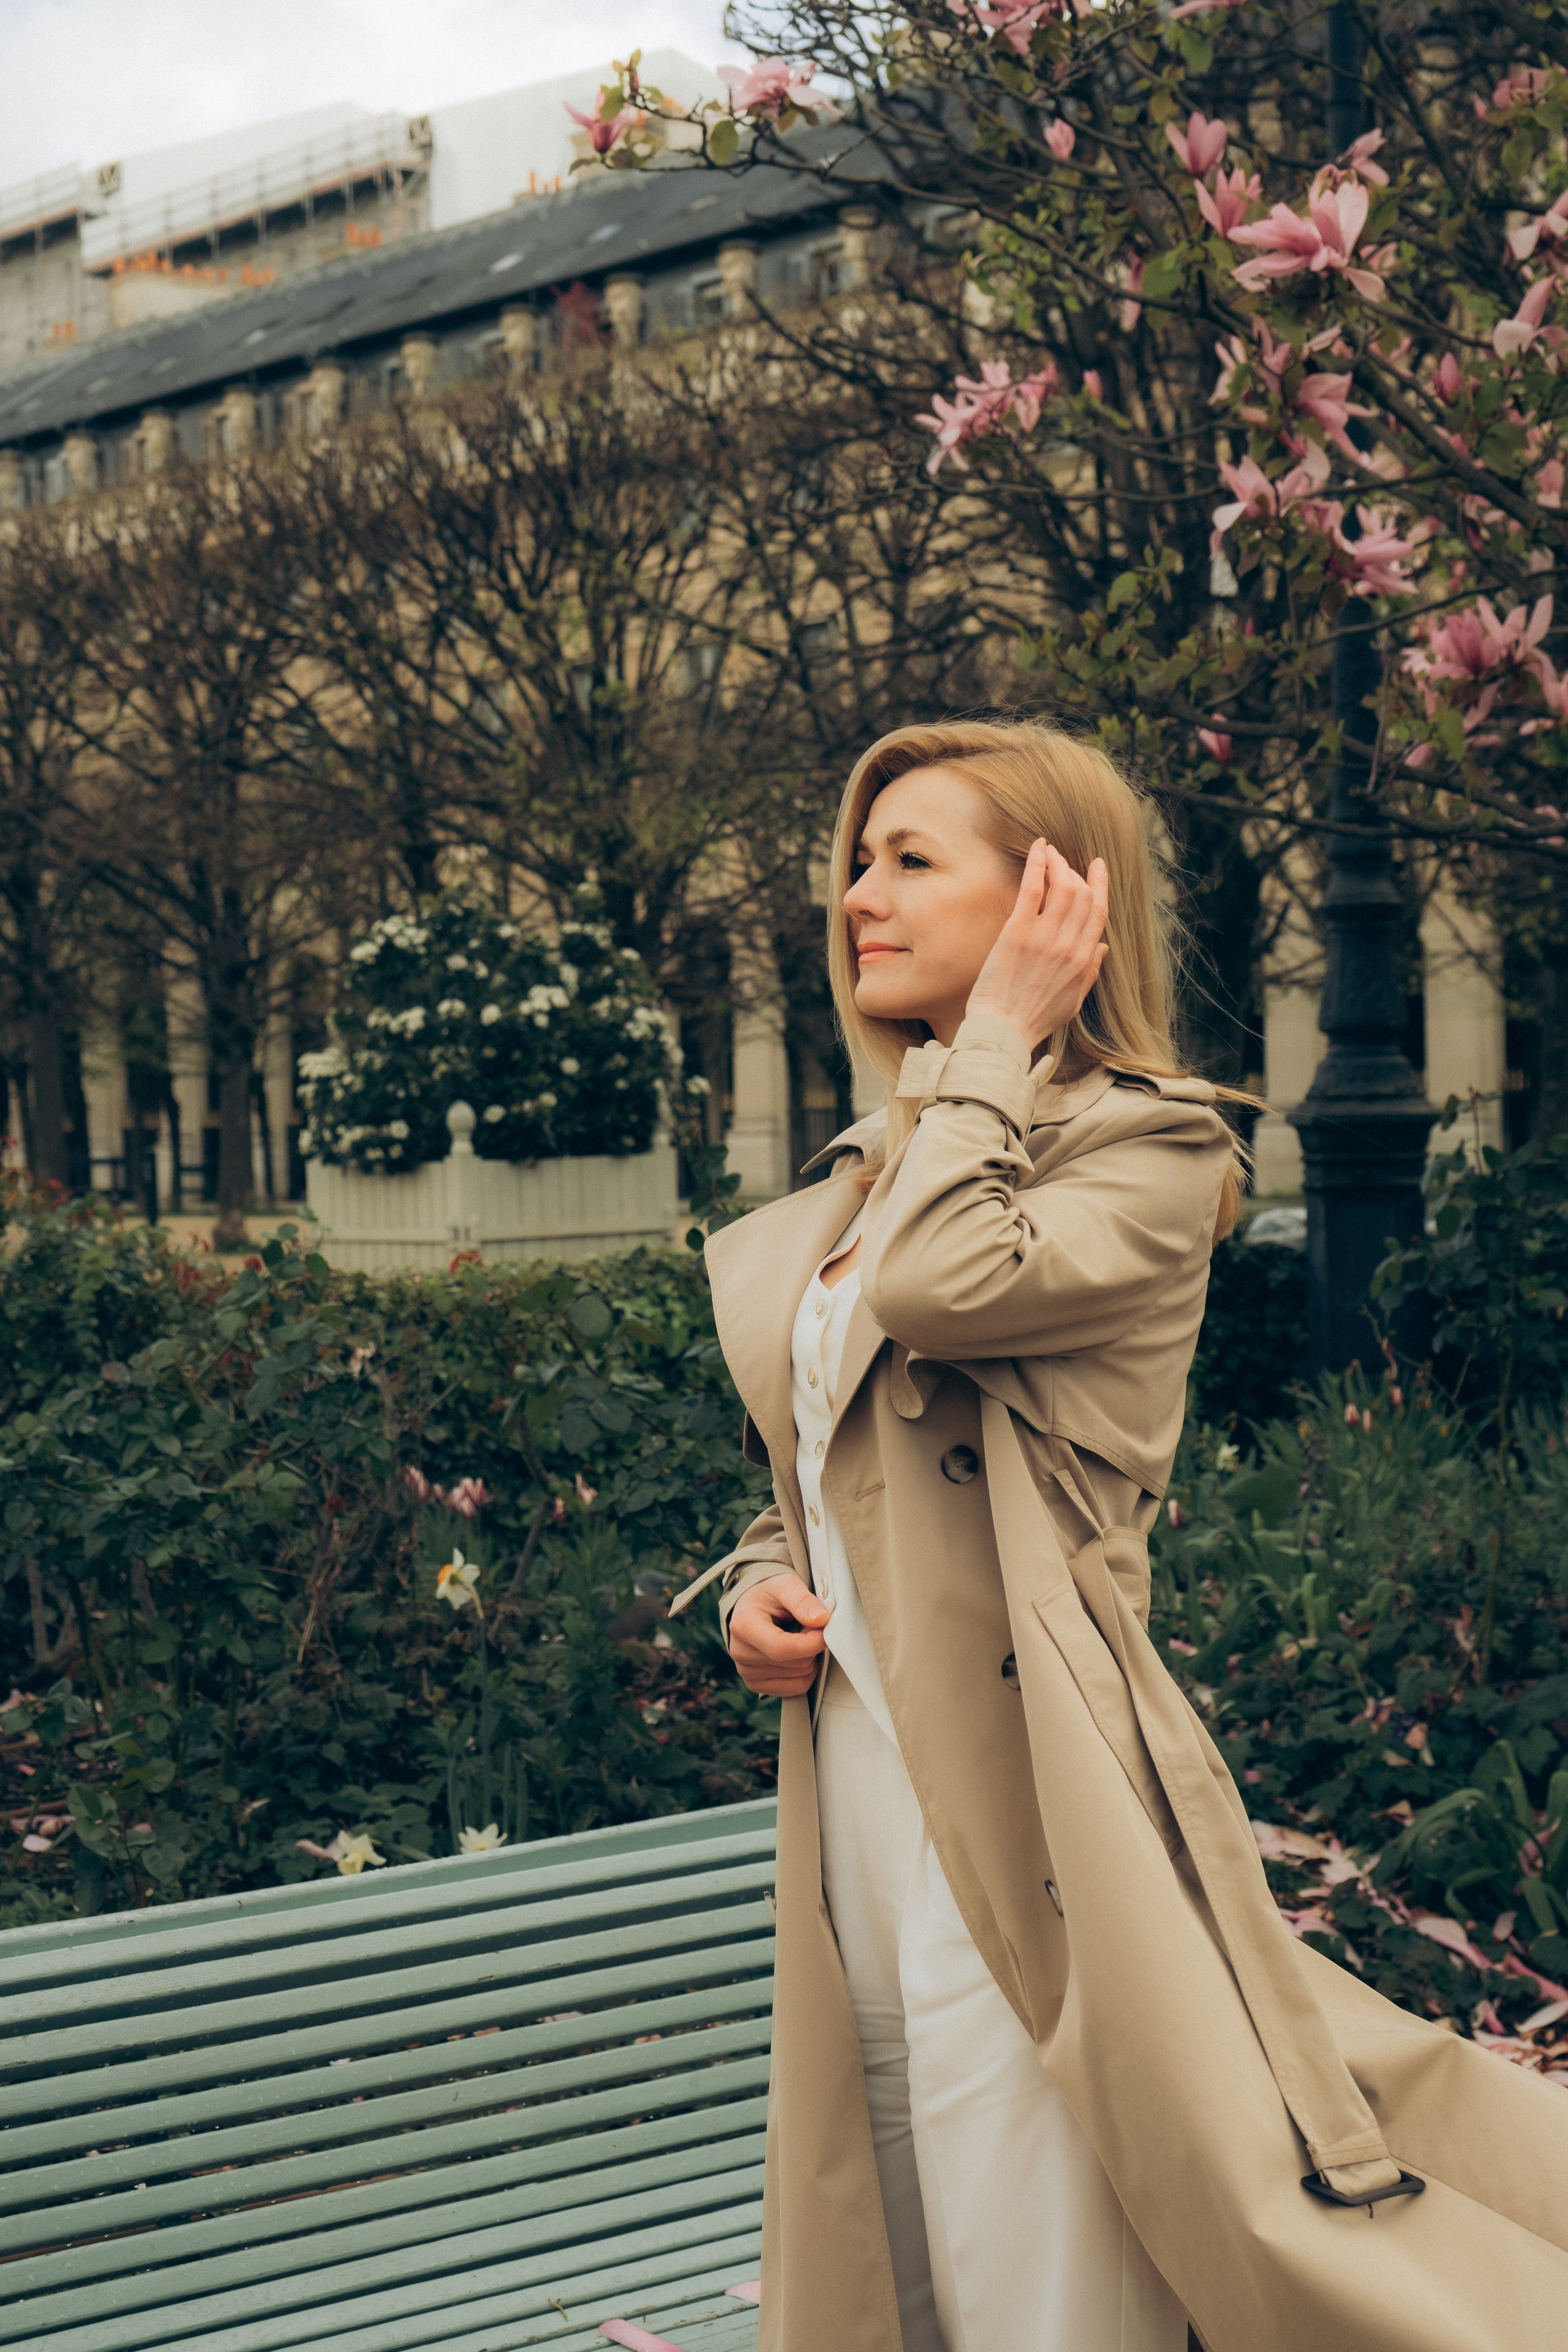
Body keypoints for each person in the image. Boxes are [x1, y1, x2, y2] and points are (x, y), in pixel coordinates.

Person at [673, 719, 1568, 2352]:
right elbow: (828, 1461)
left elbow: (946, 1293)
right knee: (889, 2202)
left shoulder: (1149, 1148)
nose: (857, 895)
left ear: (1053, 903)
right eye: (859, 860)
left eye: (910, 860)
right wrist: (759, 1586)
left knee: (1031, 2213)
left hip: (1034, 1786)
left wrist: (1004, 1035)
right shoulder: (891, 1158)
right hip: (855, 1795)